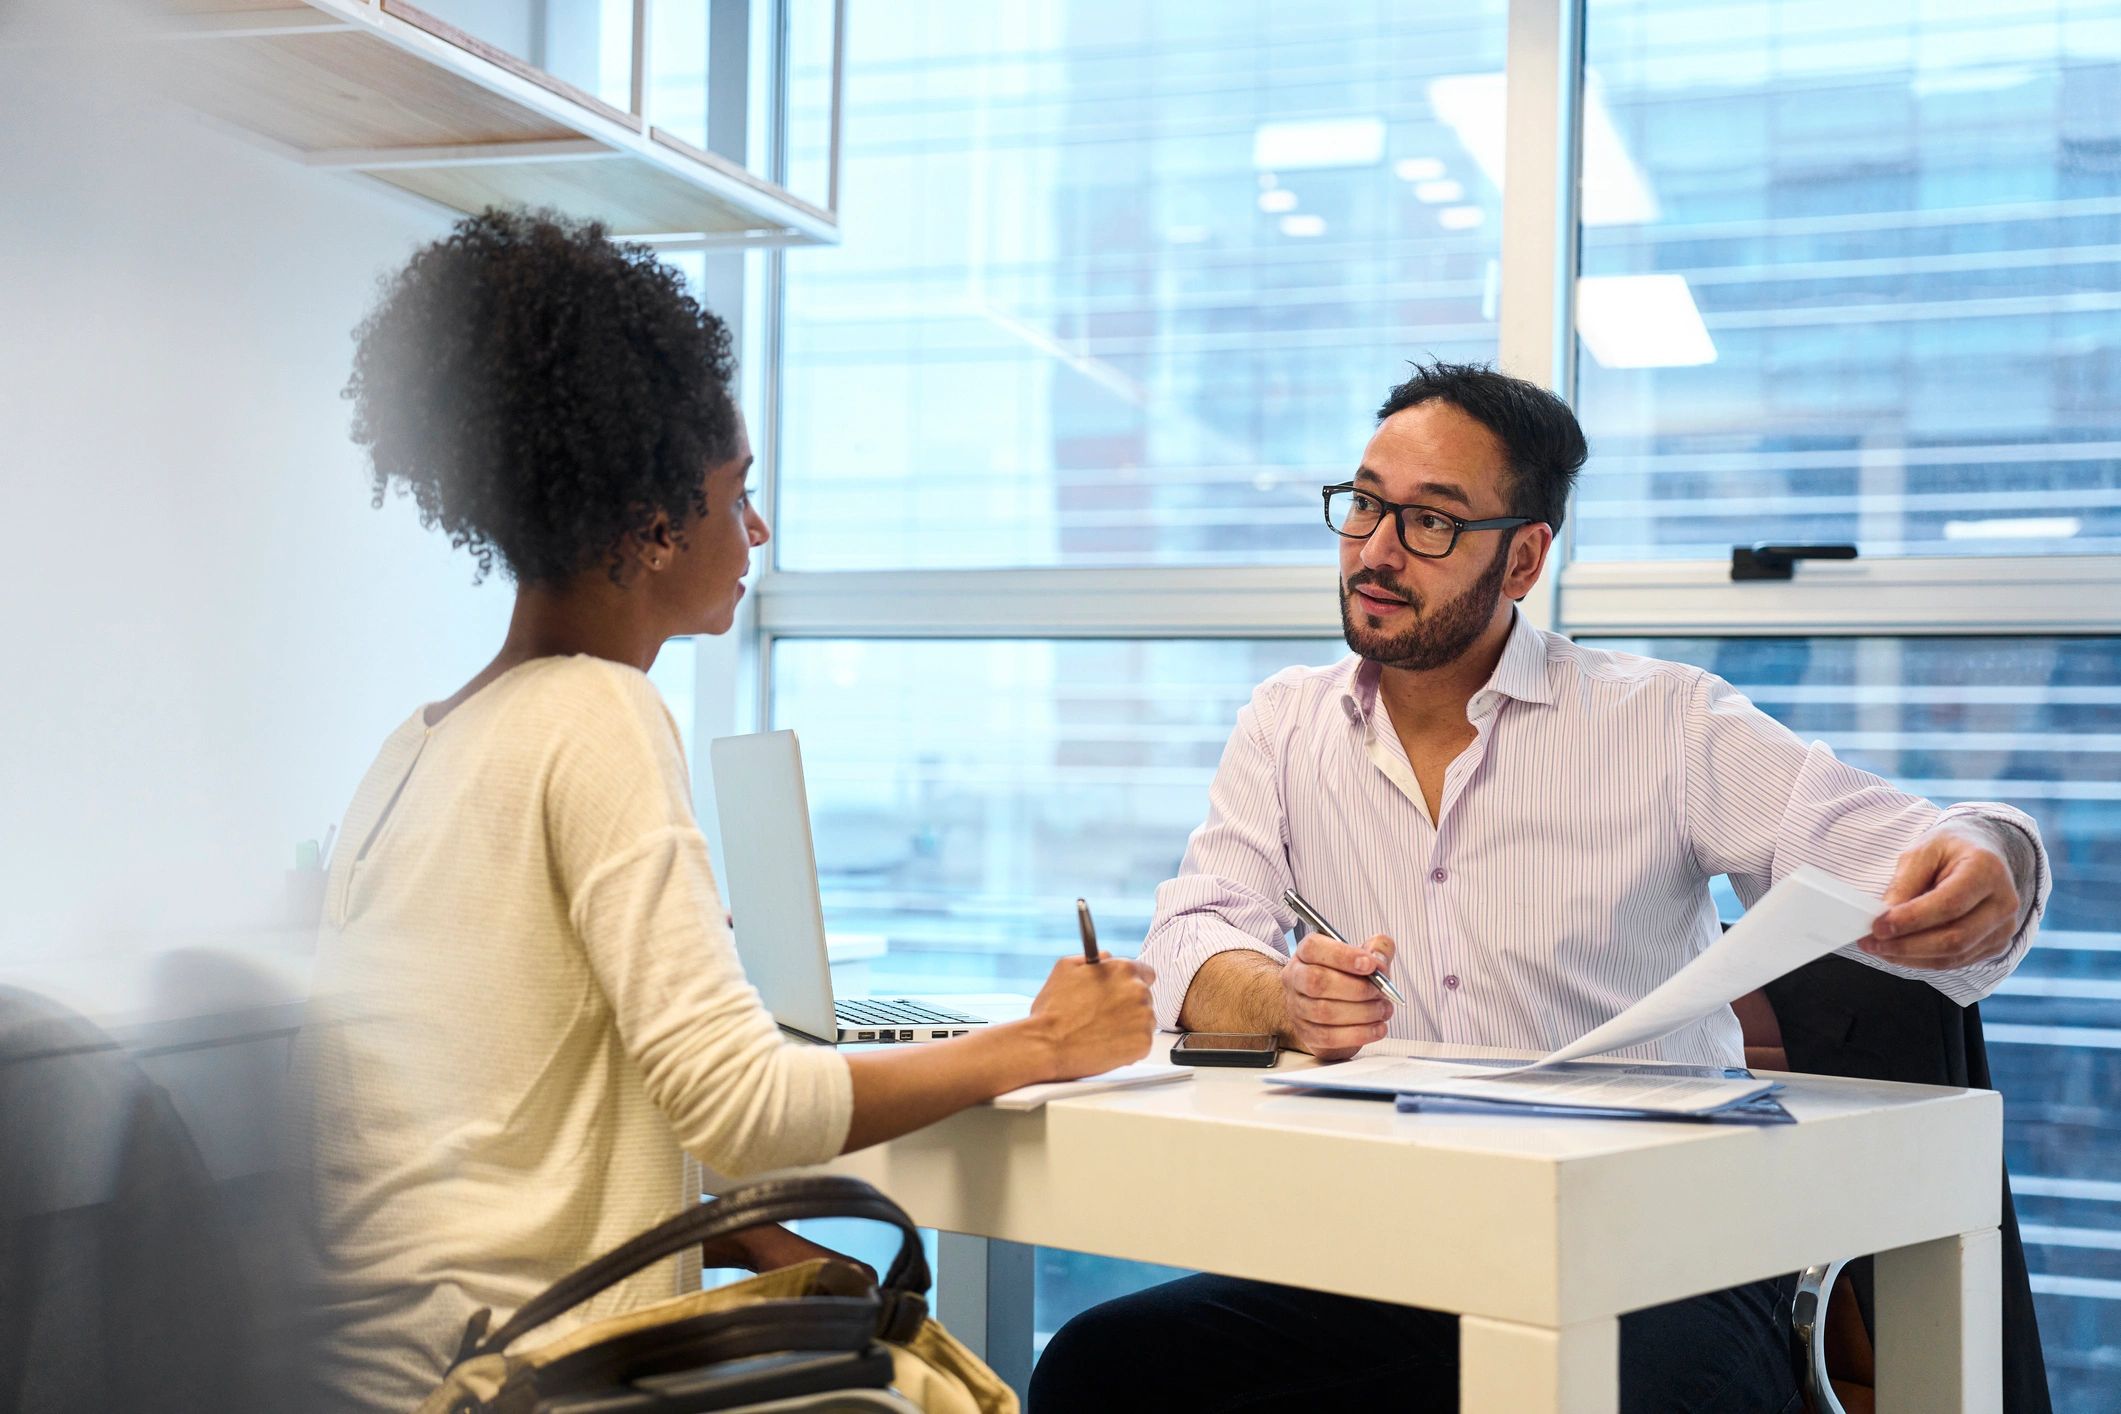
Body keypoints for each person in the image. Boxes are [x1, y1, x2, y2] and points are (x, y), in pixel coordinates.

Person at [1030, 361, 2046, 1413]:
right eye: (1366, 503)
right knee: (1105, 1369)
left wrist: (1991, 856)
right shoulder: (1287, 723)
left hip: (1668, 1261)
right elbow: (1194, 934)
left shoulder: (1661, 721)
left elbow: (1913, 842)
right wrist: (1282, 996)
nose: (1376, 550)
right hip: (1392, 1256)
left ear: (1523, 557)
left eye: (1432, 523)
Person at [298, 208, 1156, 1412]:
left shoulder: (420, 742)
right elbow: (747, 1106)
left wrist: (734, 1232)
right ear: (653, 522)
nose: (755, 529)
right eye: (737, 491)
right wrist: (1044, 1043)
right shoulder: (594, 713)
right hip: (517, 1379)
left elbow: (496, 1128)